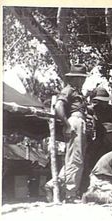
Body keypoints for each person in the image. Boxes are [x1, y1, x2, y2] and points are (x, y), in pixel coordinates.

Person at [45, 64, 88, 202]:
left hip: (79, 122)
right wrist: (67, 125)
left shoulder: (77, 91)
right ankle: (70, 193)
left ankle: (53, 184)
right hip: (74, 122)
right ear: (75, 78)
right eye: (81, 78)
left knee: (75, 158)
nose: (83, 81)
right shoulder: (68, 90)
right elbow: (58, 106)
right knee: (75, 159)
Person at [80, 87, 112, 194]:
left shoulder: (111, 110)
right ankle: (85, 187)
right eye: (102, 101)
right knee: (90, 161)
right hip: (97, 139)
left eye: (106, 101)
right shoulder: (91, 109)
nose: (104, 103)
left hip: (111, 138)